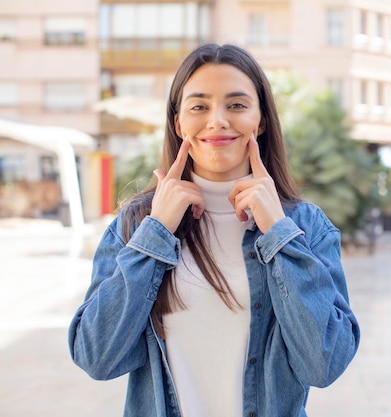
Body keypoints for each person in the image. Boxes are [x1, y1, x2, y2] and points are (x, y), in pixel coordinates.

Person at [68, 43, 360, 417]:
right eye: (199, 106)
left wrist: (278, 232)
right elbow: (96, 357)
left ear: (261, 120)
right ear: (178, 122)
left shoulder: (306, 227)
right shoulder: (136, 225)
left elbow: (324, 364)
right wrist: (156, 232)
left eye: (237, 105)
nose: (218, 120)